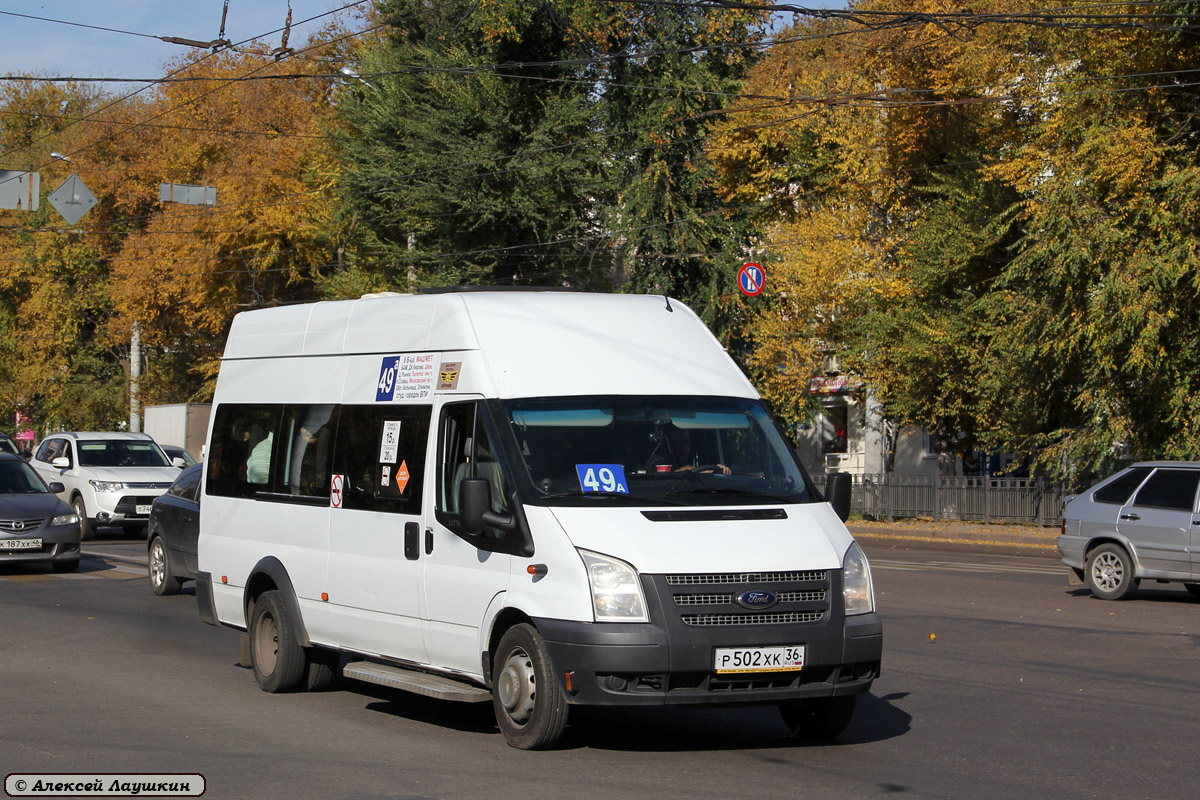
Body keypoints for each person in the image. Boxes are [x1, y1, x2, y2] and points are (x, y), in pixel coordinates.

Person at [654, 424, 730, 475]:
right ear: (667, 444)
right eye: (677, 442)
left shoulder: (692, 460)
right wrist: (702, 470)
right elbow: (663, 477)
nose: (682, 446)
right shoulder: (656, 460)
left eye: (685, 441)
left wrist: (721, 470)